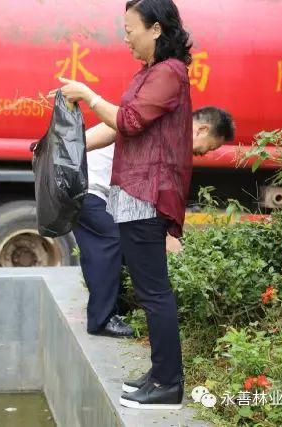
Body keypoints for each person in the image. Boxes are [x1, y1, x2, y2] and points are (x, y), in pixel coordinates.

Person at [52, 0, 193, 409]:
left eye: (131, 29)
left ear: (156, 29)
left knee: (154, 292)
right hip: (132, 191)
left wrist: (88, 94)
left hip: (149, 192)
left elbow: (128, 120)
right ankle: (159, 374)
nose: (125, 36)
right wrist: (63, 148)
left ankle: (169, 385)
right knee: (151, 291)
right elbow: (118, 128)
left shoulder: (170, 73)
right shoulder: (150, 73)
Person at [76, 107, 235, 338]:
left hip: (96, 188)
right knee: (109, 243)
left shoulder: (167, 130)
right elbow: (153, 190)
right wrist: (167, 236)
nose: (205, 153)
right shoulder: (169, 135)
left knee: (120, 243)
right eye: (209, 146)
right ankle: (101, 320)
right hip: (90, 186)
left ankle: (112, 309)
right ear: (201, 129)